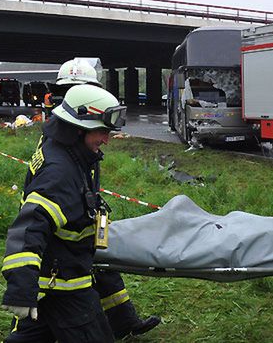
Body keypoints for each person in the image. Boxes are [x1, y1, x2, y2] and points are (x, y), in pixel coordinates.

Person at [1, 84, 126, 342]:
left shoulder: (68, 153)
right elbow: (29, 227)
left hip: (56, 278)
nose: (106, 139)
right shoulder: (61, 173)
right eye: (102, 131)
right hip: (66, 286)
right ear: (78, 128)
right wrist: (21, 288)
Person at [52, 58, 160, 339]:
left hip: (82, 210)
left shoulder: (80, 131)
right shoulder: (65, 133)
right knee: (85, 275)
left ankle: (125, 321)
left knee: (105, 269)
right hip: (61, 222)